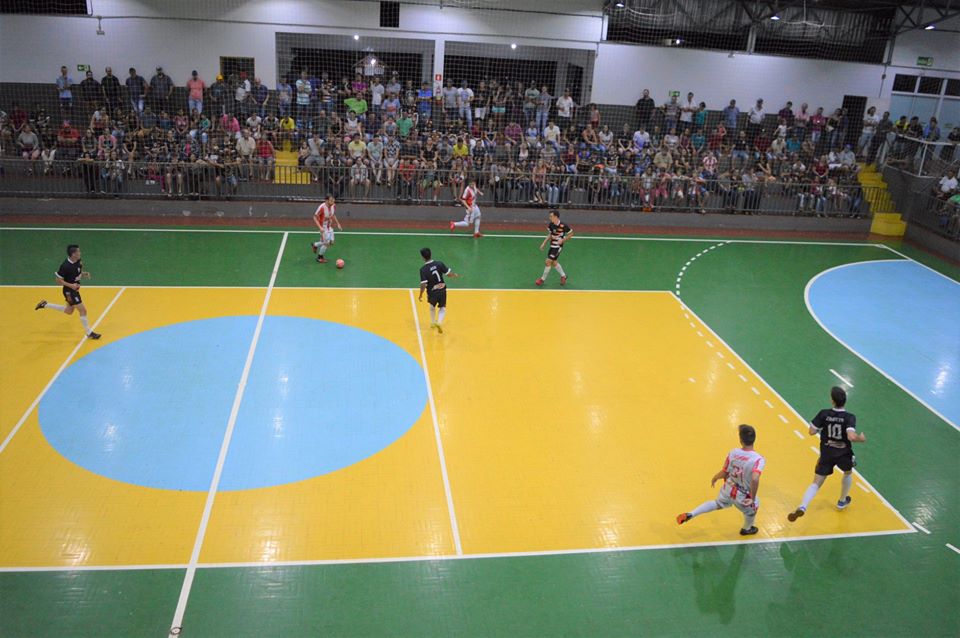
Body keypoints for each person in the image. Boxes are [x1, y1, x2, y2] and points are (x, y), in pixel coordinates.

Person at [787, 386, 866, 521]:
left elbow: (811, 431)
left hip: (826, 453)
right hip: (843, 453)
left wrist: (821, 427)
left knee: (816, 483)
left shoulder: (824, 414)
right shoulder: (849, 417)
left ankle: (802, 507)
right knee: (847, 473)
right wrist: (861, 439)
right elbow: (851, 437)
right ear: (845, 401)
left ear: (832, 401)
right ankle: (842, 501)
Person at [676, 424, 764, 536]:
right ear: (754, 439)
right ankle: (747, 529)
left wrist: (715, 477)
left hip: (729, 487)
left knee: (717, 503)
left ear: (740, 440)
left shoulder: (733, 452)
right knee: (753, 508)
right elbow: (755, 478)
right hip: (742, 495)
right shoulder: (758, 459)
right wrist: (752, 497)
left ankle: (691, 513)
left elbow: (725, 472)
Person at [34, 244, 102, 340]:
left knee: (69, 311)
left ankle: (45, 304)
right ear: (73, 254)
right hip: (69, 291)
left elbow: (77, 272)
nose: (80, 253)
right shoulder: (65, 266)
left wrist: (83, 274)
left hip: (74, 289)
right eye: (78, 251)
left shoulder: (78, 261)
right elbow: (58, 280)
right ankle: (89, 333)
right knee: (83, 310)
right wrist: (72, 286)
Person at [418, 247, 459, 333]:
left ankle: (433, 323)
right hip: (442, 290)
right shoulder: (439, 264)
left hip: (432, 292)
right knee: (443, 307)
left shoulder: (423, 270)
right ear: (430, 254)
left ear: (422, 257)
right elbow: (448, 274)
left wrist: (421, 294)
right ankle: (439, 322)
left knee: (432, 306)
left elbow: (424, 284)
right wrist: (454, 275)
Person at [536, 209, 573, 286]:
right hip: (552, 246)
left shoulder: (563, 225)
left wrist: (563, 240)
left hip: (558, 246)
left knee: (548, 261)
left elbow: (571, 234)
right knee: (554, 262)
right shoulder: (551, 225)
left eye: (551, 216)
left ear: (556, 217)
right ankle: (564, 276)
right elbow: (550, 235)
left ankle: (542, 279)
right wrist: (544, 243)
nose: (550, 218)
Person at [310, 194, 342, 263]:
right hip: (323, 227)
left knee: (331, 242)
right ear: (326, 201)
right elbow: (314, 217)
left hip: (329, 227)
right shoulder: (321, 207)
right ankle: (319, 257)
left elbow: (333, 215)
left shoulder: (333, 206)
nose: (333, 202)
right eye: (331, 200)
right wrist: (320, 228)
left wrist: (338, 223)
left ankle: (315, 245)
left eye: (333, 200)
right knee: (326, 243)